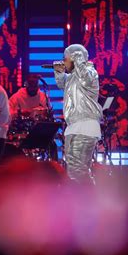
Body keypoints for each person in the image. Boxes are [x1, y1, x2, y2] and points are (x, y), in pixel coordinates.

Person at [54, 44, 102, 184]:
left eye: (65, 58)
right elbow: (62, 84)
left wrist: (77, 59)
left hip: (85, 125)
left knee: (77, 171)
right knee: (73, 171)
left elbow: (85, 79)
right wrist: (59, 73)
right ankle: (82, 201)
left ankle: (87, 201)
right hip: (74, 125)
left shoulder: (90, 71)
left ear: (75, 57)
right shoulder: (72, 77)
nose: (63, 61)